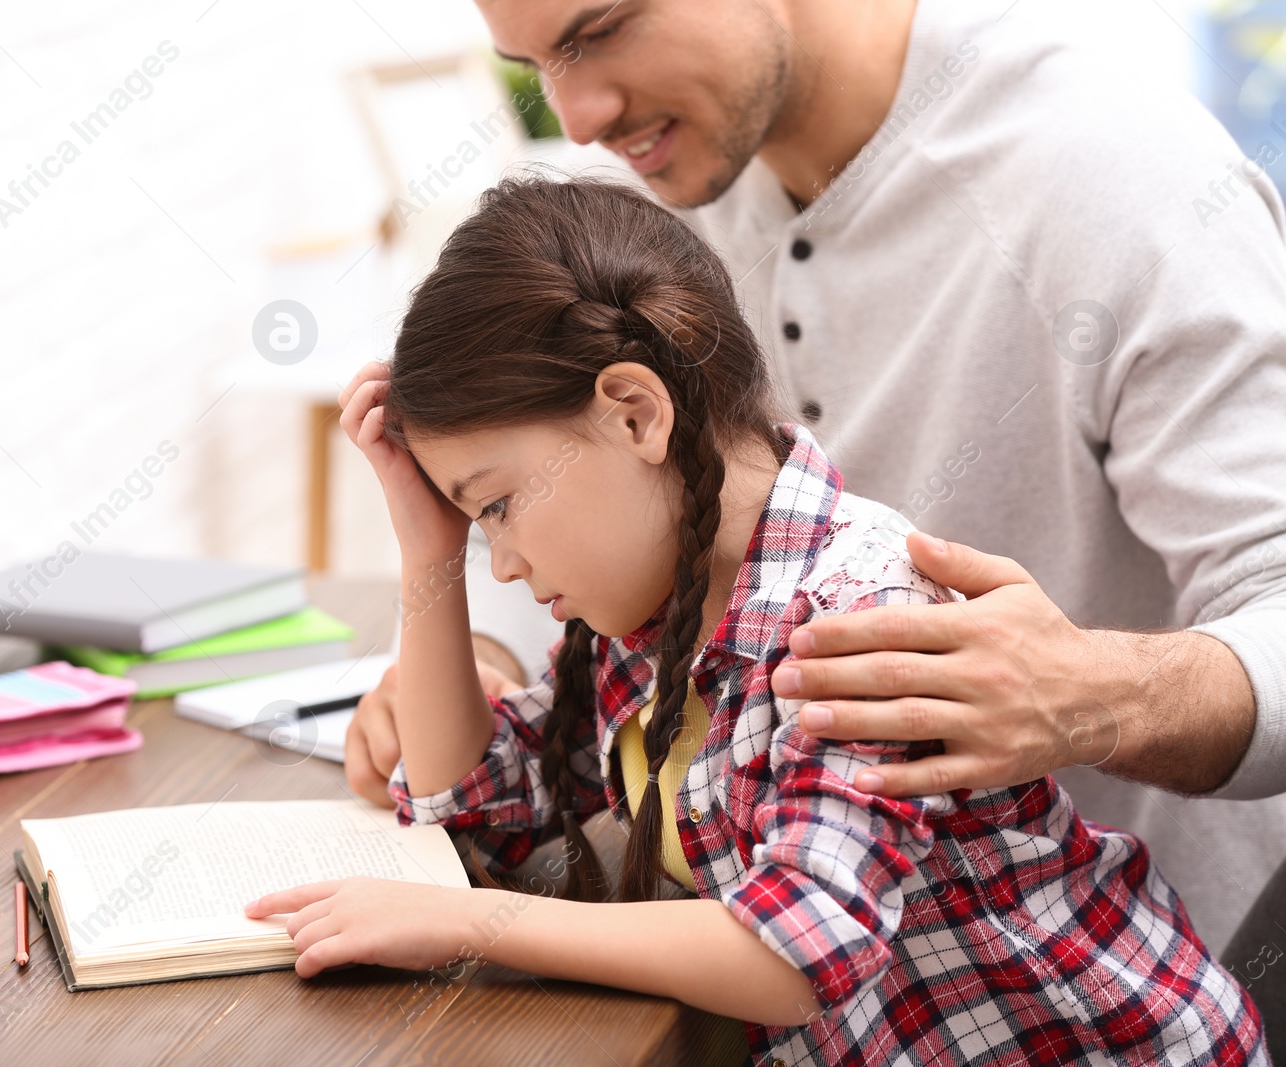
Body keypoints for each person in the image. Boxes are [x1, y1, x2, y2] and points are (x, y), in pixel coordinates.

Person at [247, 177, 1263, 1066]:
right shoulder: (650, 613)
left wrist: (474, 922)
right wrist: (429, 550)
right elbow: (472, 800)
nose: (502, 557)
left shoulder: (855, 614)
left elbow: (795, 952)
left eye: (498, 503)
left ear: (636, 413)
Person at [345, 0, 1286, 956]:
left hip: (1128, 979)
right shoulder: (641, 192)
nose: (577, 113)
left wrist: (1091, 691)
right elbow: (548, 500)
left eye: (606, 27)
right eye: (537, 60)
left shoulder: (1117, 175)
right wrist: (486, 667)